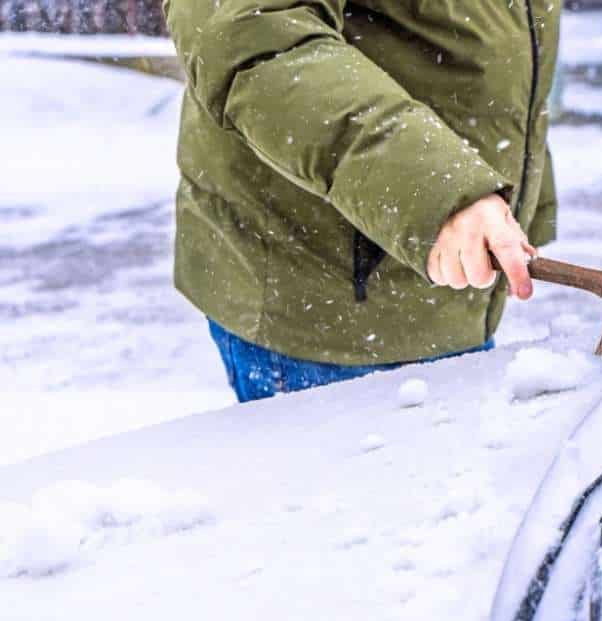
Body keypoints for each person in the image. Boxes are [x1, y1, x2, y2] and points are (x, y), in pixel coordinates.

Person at [163, 0, 560, 402]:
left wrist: (517, 212)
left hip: (443, 286)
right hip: (324, 298)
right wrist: (438, 192)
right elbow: (252, 34)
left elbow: (505, 45)